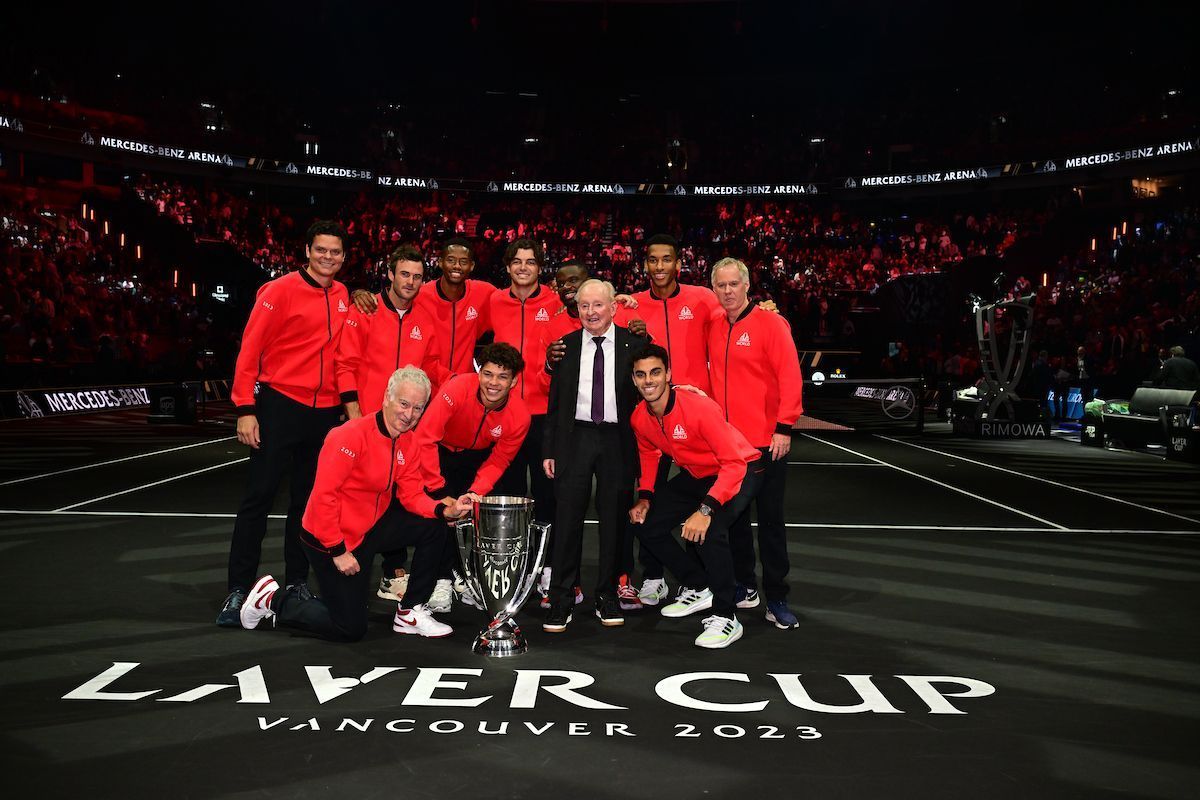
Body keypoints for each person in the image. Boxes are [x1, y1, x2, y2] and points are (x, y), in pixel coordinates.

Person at [239, 367, 476, 641]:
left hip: (369, 527)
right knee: (349, 628)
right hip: (328, 537)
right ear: (387, 397)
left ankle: (410, 611)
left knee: (434, 527)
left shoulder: (408, 441)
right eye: (404, 403)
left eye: (418, 408)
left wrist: (443, 510)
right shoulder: (349, 435)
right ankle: (273, 598)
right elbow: (322, 497)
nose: (409, 414)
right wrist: (338, 550)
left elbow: (411, 495)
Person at [218, 220, 352, 627]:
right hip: (280, 405)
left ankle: (296, 583)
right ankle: (238, 590)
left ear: (344, 258)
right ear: (307, 251)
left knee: (306, 505)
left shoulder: (345, 294)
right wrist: (245, 407)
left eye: (336, 252)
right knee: (258, 498)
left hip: (324, 413)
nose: (328, 257)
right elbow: (250, 348)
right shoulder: (278, 291)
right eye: (321, 250)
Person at [627, 343, 765, 648]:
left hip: (742, 470)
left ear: (668, 374)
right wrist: (646, 497)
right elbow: (649, 452)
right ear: (634, 379)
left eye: (655, 372)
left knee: (710, 531)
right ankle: (698, 585)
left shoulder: (698, 408)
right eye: (640, 374)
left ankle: (727, 616)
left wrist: (705, 510)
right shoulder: (640, 417)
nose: (648, 380)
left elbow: (733, 464)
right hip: (700, 474)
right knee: (646, 524)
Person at [336, 243, 449, 603]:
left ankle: (392, 572)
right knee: (361, 493)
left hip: (405, 428)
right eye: (404, 274)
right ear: (389, 274)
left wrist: (462, 389)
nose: (411, 281)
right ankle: (347, 560)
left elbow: (432, 369)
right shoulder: (365, 309)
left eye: (417, 276)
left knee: (402, 493)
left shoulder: (426, 319)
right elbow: (346, 364)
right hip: (367, 424)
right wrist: (354, 413)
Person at [708, 257, 804, 630]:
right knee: (732, 522)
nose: (728, 291)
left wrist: (784, 427)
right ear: (714, 289)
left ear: (747, 286)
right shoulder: (713, 324)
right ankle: (745, 586)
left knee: (770, 522)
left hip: (767, 443)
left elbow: (790, 376)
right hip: (728, 446)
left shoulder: (770, 323)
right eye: (721, 285)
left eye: (734, 284)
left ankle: (776, 596)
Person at [541, 279, 641, 632]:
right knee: (567, 520)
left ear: (614, 307)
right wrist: (550, 449)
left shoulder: (635, 346)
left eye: (598, 305)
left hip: (617, 440)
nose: (591, 312)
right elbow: (555, 406)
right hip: (575, 438)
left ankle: (607, 596)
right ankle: (561, 599)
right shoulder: (564, 348)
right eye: (585, 306)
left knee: (614, 520)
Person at [414, 343, 531, 612]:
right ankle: (440, 580)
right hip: (441, 452)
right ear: (479, 373)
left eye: (503, 377)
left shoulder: (520, 416)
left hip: (478, 457)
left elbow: (499, 459)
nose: (493, 383)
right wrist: (437, 488)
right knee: (443, 515)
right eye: (488, 374)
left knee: (475, 514)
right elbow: (425, 437)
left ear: (514, 381)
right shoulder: (457, 388)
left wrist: (476, 492)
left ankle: (467, 578)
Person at [488, 239, 561, 530]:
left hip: (543, 413)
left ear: (540, 268)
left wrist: (622, 300)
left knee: (547, 493)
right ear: (508, 266)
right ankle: (511, 562)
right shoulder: (493, 300)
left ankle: (547, 566)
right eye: (517, 261)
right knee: (507, 491)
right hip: (504, 412)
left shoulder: (555, 303)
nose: (523, 267)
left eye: (530, 262)